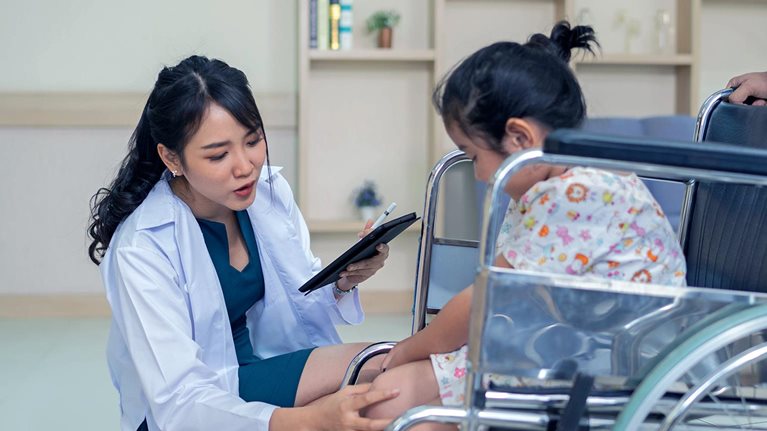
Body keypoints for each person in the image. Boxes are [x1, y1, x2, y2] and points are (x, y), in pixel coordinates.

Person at [362, 22, 687, 426]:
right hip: (564, 342)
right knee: (389, 400)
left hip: (601, 362)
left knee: (385, 403)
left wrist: (410, 349)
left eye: (473, 155)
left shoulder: (575, 193)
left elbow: (481, 303)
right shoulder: (560, 178)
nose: (479, 175)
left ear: (519, 137)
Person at [87, 55, 399, 431]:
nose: (245, 166)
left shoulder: (268, 193)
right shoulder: (141, 247)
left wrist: (344, 280)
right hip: (197, 401)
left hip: (258, 366)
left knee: (387, 364)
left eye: (252, 140)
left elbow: (299, 301)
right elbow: (178, 400)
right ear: (172, 158)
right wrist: (306, 420)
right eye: (218, 154)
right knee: (371, 399)